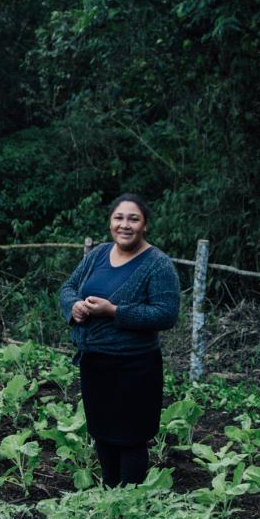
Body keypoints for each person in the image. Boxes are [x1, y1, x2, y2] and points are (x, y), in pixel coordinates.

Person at [59, 193, 181, 487]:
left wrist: (114, 311)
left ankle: (129, 503)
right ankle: (108, 494)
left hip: (134, 367)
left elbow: (166, 314)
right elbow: (68, 287)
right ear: (111, 222)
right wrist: (73, 306)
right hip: (95, 364)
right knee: (103, 433)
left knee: (131, 438)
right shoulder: (98, 254)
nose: (125, 225)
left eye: (133, 219)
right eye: (119, 218)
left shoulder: (157, 264)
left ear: (145, 226)